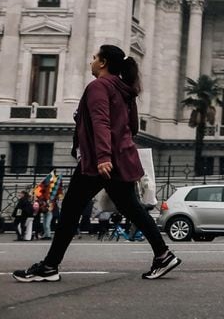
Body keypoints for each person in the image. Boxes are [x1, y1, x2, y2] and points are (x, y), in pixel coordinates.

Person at [12, 45, 180, 283]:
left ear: (102, 63)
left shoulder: (99, 86)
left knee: (70, 212)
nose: (91, 61)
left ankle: (49, 266)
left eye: (94, 57)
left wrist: (103, 157)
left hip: (99, 163)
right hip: (119, 159)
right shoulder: (125, 90)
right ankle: (163, 255)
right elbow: (133, 127)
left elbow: (101, 121)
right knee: (132, 209)